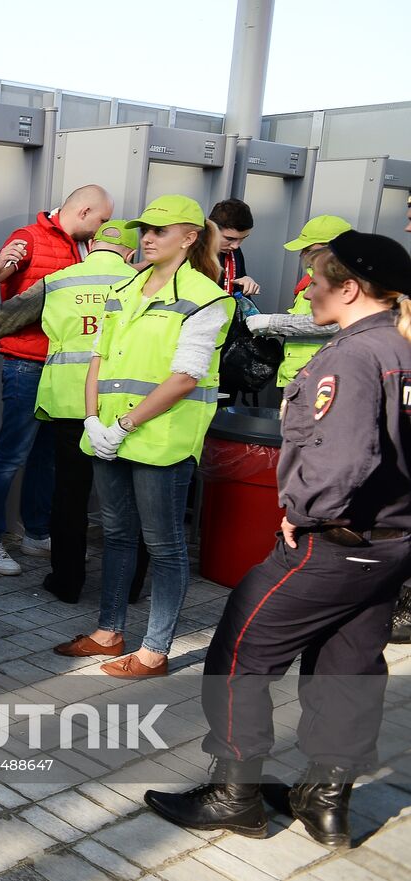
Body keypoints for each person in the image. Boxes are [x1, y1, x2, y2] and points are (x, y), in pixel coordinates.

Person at [145, 231, 411, 847]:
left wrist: (304, 510)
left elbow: (343, 456)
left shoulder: (352, 355)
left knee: (239, 654)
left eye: (318, 279)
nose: (308, 289)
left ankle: (234, 793)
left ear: (349, 288)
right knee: (349, 663)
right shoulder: (400, 344)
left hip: (333, 542)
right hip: (391, 543)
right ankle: (326, 799)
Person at [54, 195, 234, 678]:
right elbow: (98, 359)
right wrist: (93, 421)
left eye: (159, 230)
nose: (147, 237)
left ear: (190, 237)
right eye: (144, 230)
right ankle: (108, 633)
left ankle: (155, 651)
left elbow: (185, 377)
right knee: (116, 535)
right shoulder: (128, 286)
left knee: (165, 545)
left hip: (160, 440)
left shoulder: (207, 296)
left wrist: (122, 426)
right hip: (109, 434)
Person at [0, 218, 147, 604]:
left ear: (91, 246)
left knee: (69, 495)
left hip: (67, 402)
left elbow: (2, 321)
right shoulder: (142, 284)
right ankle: (128, 587)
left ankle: (67, 582)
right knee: (125, 500)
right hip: (121, 405)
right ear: (130, 252)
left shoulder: (61, 280)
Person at [0, 185, 113, 575]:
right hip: (27, 364)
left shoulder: (85, 248)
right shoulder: (28, 239)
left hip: (62, 370)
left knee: (46, 457)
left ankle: (36, 533)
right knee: (12, 452)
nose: (105, 228)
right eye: (103, 219)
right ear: (83, 211)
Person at [245, 215, 352, 388]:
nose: (303, 255)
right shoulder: (313, 278)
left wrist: (273, 323)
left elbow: (334, 323)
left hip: (319, 378)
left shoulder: (345, 281)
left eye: (308, 249)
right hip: (298, 376)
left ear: (332, 249)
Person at [210, 198, 260, 302]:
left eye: (243, 239)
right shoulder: (191, 253)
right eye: (229, 239)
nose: (236, 246)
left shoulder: (234, 252)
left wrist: (245, 283)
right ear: (211, 229)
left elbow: (234, 291)